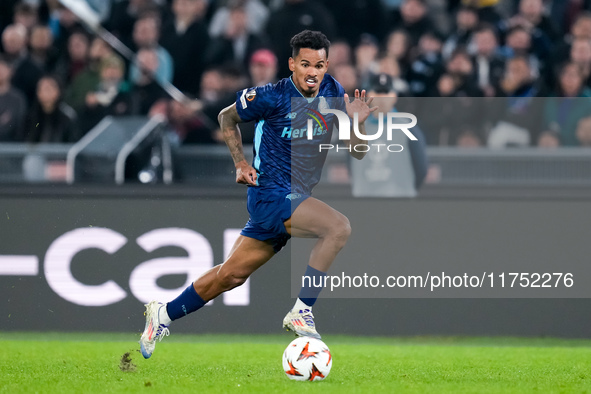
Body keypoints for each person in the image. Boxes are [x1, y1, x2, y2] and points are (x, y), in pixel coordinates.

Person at [138, 30, 376, 359]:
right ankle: (302, 310)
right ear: (292, 64)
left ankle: (161, 314)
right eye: (305, 64)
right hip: (271, 192)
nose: (312, 72)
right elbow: (226, 117)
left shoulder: (334, 91)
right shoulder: (271, 95)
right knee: (338, 227)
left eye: (319, 65)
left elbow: (358, 152)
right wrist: (239, 162)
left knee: (230, 275)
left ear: (326, 66)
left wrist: (359, 124)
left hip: (295, 196)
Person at [350, 73, 427, 197]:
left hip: (400, 201)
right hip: (365, 201)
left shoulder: (408, 127)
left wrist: (406, 188)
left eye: (386, 92)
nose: (382, 97)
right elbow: (350, 165)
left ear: (394, 96)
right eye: (378, 92)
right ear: (369, 95)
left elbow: (421, 167)